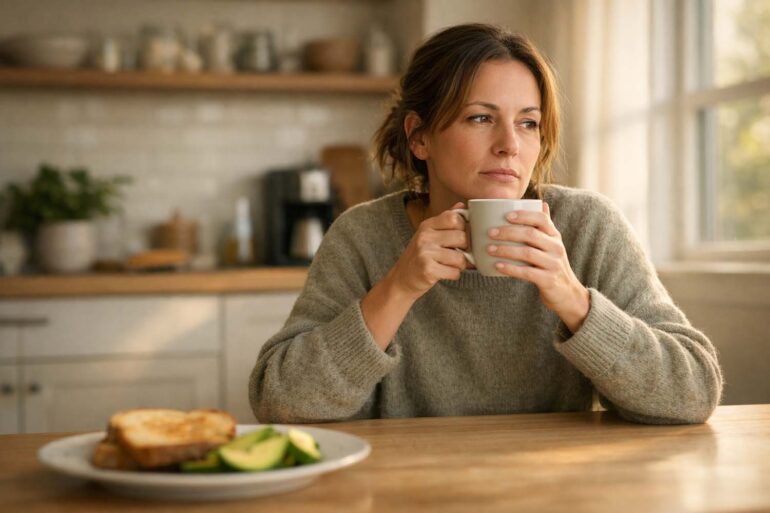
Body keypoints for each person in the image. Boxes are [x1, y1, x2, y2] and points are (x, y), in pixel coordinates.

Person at [249, 23, 722, 424]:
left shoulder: (586, 227)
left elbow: (694, 393)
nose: (509, 146)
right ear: (419, 137)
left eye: (528, 123)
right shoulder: (362, 237)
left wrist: (574, 301)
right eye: (480, 118)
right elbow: (279, 402)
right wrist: (398, 288)